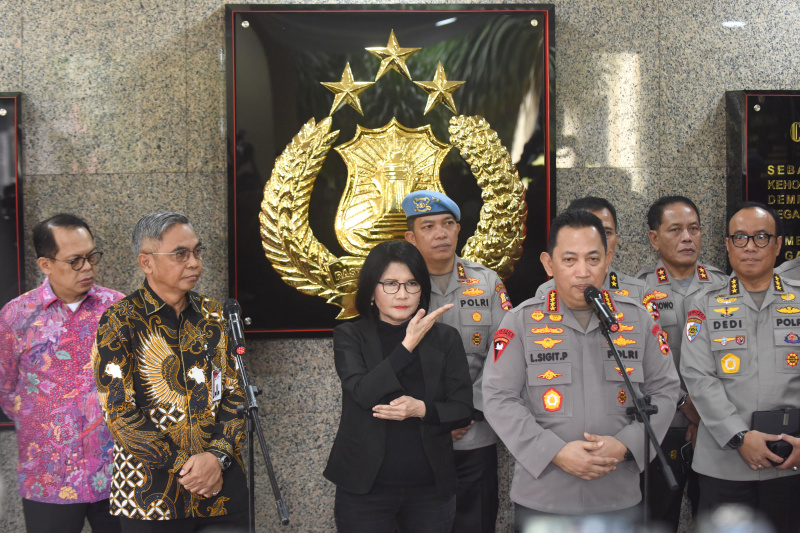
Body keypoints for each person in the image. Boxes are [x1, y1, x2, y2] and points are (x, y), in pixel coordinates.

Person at [483, 209, 680, 530]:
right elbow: (498, 397)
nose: (582, 271)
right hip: (544, 495)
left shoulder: (636, 319)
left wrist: (628, 445)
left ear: (608, 258)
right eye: (569, 260)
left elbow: (665, 390)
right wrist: (555, 451)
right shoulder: (521, 321)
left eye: (592, 259)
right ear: (549, 264)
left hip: (617, 493)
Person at [93, 212, 247, 532]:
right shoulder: (119, 321)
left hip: (219, 492)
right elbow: (119, 412)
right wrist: (188, 468)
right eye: (180, 254)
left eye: (197, 252)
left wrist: (216, 457)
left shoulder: (214, 316)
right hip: (149, 497)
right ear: (146, 262)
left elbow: (236, 392)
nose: (193, 263)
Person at [323, 240, 474, 533]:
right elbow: (363, 393)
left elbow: (462, 411)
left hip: (430, 490)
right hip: (365, 490)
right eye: (390, 284)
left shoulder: (445, 338)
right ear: (371, 292)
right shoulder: (350, 335)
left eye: (412, 284)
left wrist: (421, 409)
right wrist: (407, 345)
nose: (402, 294)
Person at [681, 202, 800, 533]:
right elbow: (698, 377)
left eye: (762, 237)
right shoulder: (704, 303)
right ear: (728, 245)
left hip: (791, 461)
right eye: (741, 237)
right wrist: (739, 436)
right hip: (724, 465)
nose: (750, 246)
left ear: (778, 245)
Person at [0, 214, 123, 533]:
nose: (88, 267)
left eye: (91, 256)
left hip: (116, 475)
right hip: (48, 476)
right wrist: (42, 420)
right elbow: (6, 386)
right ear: (45, 264)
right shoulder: (16, 317)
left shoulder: (118, 309)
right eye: (75, 260)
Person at [402, 190, 510, 533]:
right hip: (416, 437)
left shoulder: (486, 281)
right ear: (411, 236)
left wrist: (468, 411)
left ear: (459, 230)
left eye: (448, 224)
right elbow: (389, 359)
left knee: (475, 523)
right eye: (429, 226)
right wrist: (436, 417)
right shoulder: (398, 286)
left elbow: (505, 353)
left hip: (475, 433)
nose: (440, 233)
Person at [635, 195, 725, 529]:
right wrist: (685, 404)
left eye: (694, 229)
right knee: (658, 519)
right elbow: (636, 364)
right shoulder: (637, 291)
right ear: (654, 238)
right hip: (661, 428)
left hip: (717, 430)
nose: (687, 237)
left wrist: (706, 415)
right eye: (676, 230)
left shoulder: (725, 287)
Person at [536, 197, 651, 303]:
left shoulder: (639, 291)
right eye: (588, 232)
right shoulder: (547, 292)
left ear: (616, 240)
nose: (600, 240)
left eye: (607, 232)